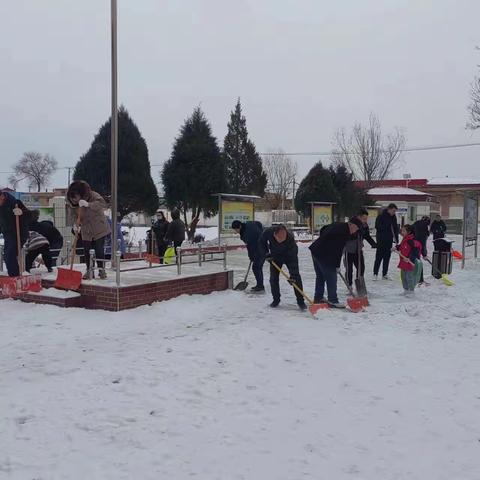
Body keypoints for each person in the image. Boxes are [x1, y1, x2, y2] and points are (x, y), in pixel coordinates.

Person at [66, 181, 110, 280]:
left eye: (75, 198)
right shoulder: (72, 203)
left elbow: (102, 204)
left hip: (99, 228)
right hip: (86, 230)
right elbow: (73, 215)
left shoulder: (93, 195)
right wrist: (75, 225)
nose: (74, 201)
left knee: (99, 250)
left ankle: (101, 270)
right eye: (72, 199)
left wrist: (88, 204)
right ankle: (89, 270)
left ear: (80, 194)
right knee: (87, 251)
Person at [309, 221, 359, 307]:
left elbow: (324, 229)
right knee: (331, 276)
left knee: (321, 276)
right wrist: (337, 265)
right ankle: (333, 300)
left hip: (316, 250)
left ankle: (318, 298)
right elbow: (338, 251)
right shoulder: (343, 232)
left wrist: (324, 240)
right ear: (350, 224)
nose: (354, 231)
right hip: (323, 254)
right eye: (355, 228)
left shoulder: (339, 225)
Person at [258, 224, 306, 310]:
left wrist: (293, 276)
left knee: (296, 278)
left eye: (283, 239)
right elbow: (261, 242)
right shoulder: (268, 232)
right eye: (279, 239)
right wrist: (266, 254)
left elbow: (293, 261)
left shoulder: (290, 240)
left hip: (289, 256)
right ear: (274, 234)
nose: (280, 241)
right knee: (273, 278)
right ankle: (276, 300)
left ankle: (300, 301)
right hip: (275, 256)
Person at [0, 190, 30, 277]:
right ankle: (14, 277)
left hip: (19, 234)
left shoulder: (15, 203)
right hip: (8, 235)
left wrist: (21, 213)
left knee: (9, 255)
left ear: (2, 196)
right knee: (8, 256)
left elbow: (31, 215)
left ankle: (15, 277)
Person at [344, 209, 377, 287]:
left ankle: (359, 284)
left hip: (358, 250)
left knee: (361, 267)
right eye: (364, 218)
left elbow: (367, 236)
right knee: (349, 269)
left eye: (366, 218)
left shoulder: (364, 225)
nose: (365, 220)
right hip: (349, 249)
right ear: (359, 217)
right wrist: (357, 233)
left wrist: (374, 244)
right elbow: (348, 236)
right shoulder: (351, 224)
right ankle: (349, 285)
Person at [232, 219, 265, 292]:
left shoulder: (246, 234)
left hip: (260, 250)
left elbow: (250, 247)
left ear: (240, 226)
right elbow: (258, 223)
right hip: (263, 246)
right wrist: (261, 232)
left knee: (256, 268)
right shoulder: (248, 224)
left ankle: (260, 286)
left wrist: (251, 256)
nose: (235, 231)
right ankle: (260, 284)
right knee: (258, 267)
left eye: (236, 229)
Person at [373, 203, 399, 280]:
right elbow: (377, 226)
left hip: (389, 240)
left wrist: (396, 240)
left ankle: (384, 274)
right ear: (389, 209)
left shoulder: (393, 217)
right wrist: (387, 226)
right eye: (393, 211)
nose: (394, 213)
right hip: (381, 239)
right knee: (379, 257)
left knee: (387, 257)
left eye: (395, 211)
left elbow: (395, 229)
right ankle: (375, 273)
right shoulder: (381, 215)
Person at [395, 224, 423, 295]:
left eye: (403, 231)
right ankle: (406, 290)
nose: (402, 232)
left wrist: (410, 258)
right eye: (401, 231)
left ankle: (411, 291)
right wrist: (397, 247)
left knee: (409, 277)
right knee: (403, 277)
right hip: (403, 262)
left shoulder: (411, 241)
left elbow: (415, 251)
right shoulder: (405, 239)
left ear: (409, 232)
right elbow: (402, 246)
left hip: (409, 263)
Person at [413, 216, 430, 284]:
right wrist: (424, 254)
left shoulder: (415, 224)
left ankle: (412, 277)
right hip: (417, 246)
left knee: (413, 262)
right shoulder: (424, 228)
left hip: (410, 245)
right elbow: (422, 242)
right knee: (418, 263)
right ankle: (420, 280)